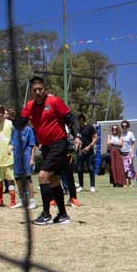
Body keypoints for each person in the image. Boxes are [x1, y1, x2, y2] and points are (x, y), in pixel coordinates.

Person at [20, 76, 74, 225]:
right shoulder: (29, 106)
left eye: (40, 89)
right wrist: (11, 119)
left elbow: (70, 118)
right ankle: (62, 215)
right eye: (34, 90)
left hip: (59, 144)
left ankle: (46, 214)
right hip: (46, 147)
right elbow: (21, 123)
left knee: (43, 176)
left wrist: (77, 136)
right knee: (54, 179)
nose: (38, 92)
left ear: (45, 89)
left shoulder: (54, 101)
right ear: (31, 92)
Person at [11, 111, 38, 209]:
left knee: (27, 179)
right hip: (16, 159)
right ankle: (22, 200)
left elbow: (33, 146)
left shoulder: (29, 130)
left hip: (26, 158)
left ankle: (32, 201)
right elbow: (12, 143)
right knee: (18, 179)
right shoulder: (15, 131)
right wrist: (10, 148)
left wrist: (32, 159)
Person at [75, 113, 98, 193]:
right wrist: (76, 145)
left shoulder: (90, 127)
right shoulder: (77, 128)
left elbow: (95, 138)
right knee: (79, 168)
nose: (77, 121)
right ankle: (81, 186)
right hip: (80, 151)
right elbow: (76, 138)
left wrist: (89, 147)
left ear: (82, 119)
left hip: (89, 151)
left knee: (91, 168)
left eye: (78, 119)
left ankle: (92, 186)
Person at [120, 120, 136, 187]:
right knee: (123, 168)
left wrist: (132, 153)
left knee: (129, 168)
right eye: (123, 126)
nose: (124, 127)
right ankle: (124, 182)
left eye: (125, 126)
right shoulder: (120, 134)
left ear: (128, 126)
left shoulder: (130, 134)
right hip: (122, 153)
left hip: (129, 153)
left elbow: (133, 144)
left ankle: (130, 182)